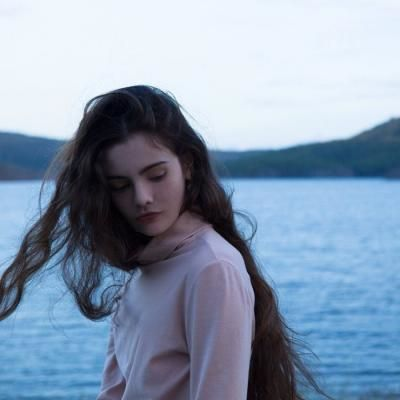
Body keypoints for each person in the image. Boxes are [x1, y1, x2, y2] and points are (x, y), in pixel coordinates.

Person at [0, 85, 333, 399]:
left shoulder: (212, 269)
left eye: (156, 175)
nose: (142, 197)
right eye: (120, 185)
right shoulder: (145, 268)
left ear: (187, 165)